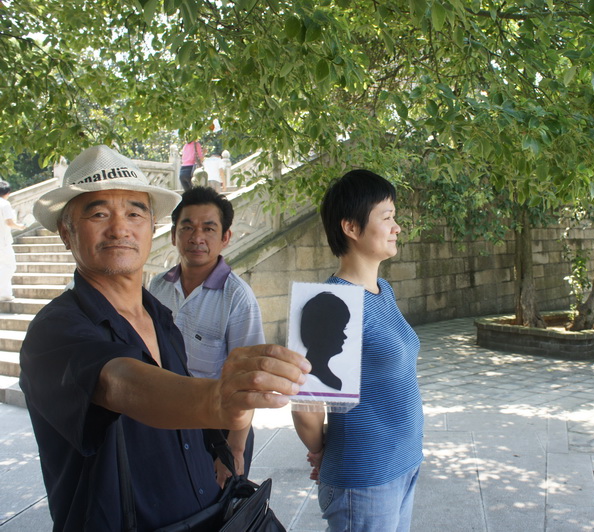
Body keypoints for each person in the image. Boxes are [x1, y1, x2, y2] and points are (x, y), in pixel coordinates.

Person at [19, 145, 310, 531]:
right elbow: (119, 382)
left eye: (134, 213)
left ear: (151, 226)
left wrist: (227, 444)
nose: (120, 228)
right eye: (99, 213)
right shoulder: (54, 331)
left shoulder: (160, 316)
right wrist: (215, 399)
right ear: (66, 232)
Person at [292, 169, 424, 532]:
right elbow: (306, 406)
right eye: (387, 217)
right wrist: (321, 450)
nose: (397, 227)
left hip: (403, 463)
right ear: (351, 227)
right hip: (365, 478)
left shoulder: (383, 290)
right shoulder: (331, 302)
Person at [149, 186, 263, 483]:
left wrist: (234, 448)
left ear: (225, 237)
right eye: (187, 227)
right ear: (173, 235)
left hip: (218, 431)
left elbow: (249, 379)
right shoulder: (157, 287)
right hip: (166, 422)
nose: (196, 237)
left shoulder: (237, 297)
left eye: (209, 228)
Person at [300, 291, 351, 391]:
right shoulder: (330, 381)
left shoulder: (333, 380)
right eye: (339, 329)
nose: (344, 336)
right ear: (321, 331)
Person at [0, 180, 25, 301]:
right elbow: (9, 222)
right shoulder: (4, 204)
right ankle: (4, 293)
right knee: (10, 266)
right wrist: (20, 227)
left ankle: (5, 292)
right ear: (7, 192)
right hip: (3, 242)